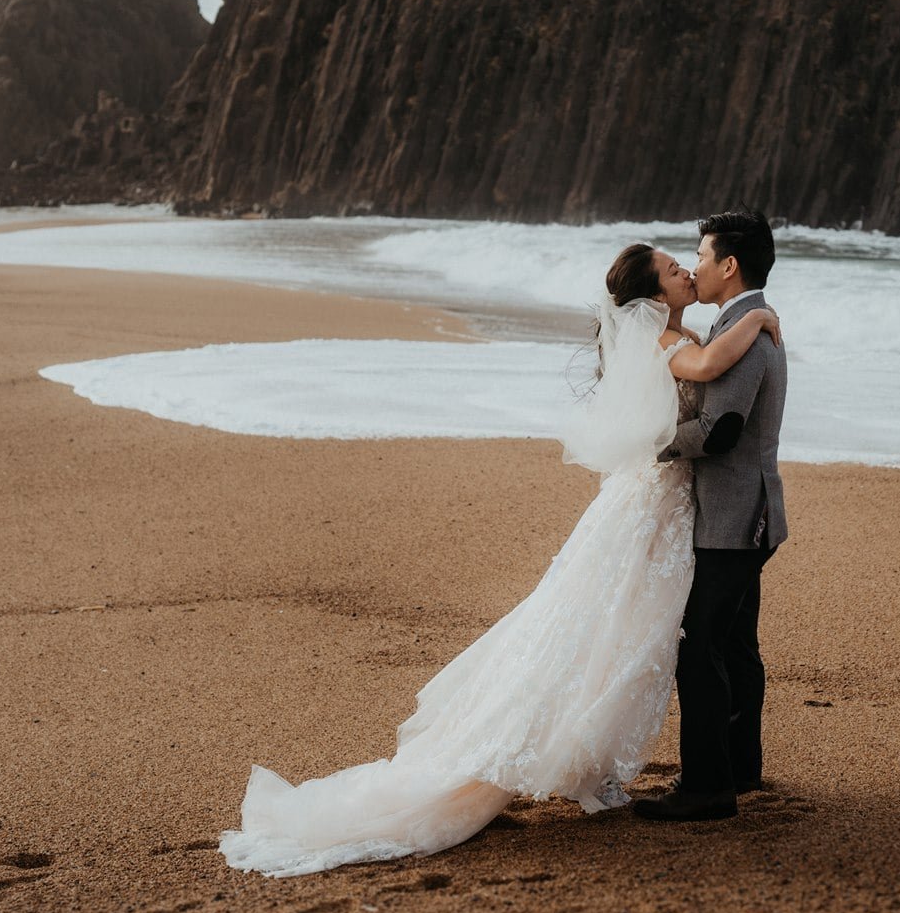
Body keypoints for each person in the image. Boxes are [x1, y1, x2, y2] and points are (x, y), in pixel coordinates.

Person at [217, 237, 780, 876]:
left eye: (691, 263)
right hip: (657, 501)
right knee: (618, 625)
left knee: (631, 628)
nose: (687, 271)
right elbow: (706, 370)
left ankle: (651, 762)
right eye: (676, 270)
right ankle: (617, 760)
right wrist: (759, 316)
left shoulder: (676, 334)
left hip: (665, 502)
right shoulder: (669, 341)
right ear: (654, 296)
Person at [635, 209, 787, 822]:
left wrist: (656, 444)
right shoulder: (738, 325)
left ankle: (707, 787)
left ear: (728, 265)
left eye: (699, 256)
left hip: (734, 517)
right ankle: (739, 768)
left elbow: (721, 431)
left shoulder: (744, 334)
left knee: (700, 648)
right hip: (745, 511)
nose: (694, 266)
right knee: (733, 643)